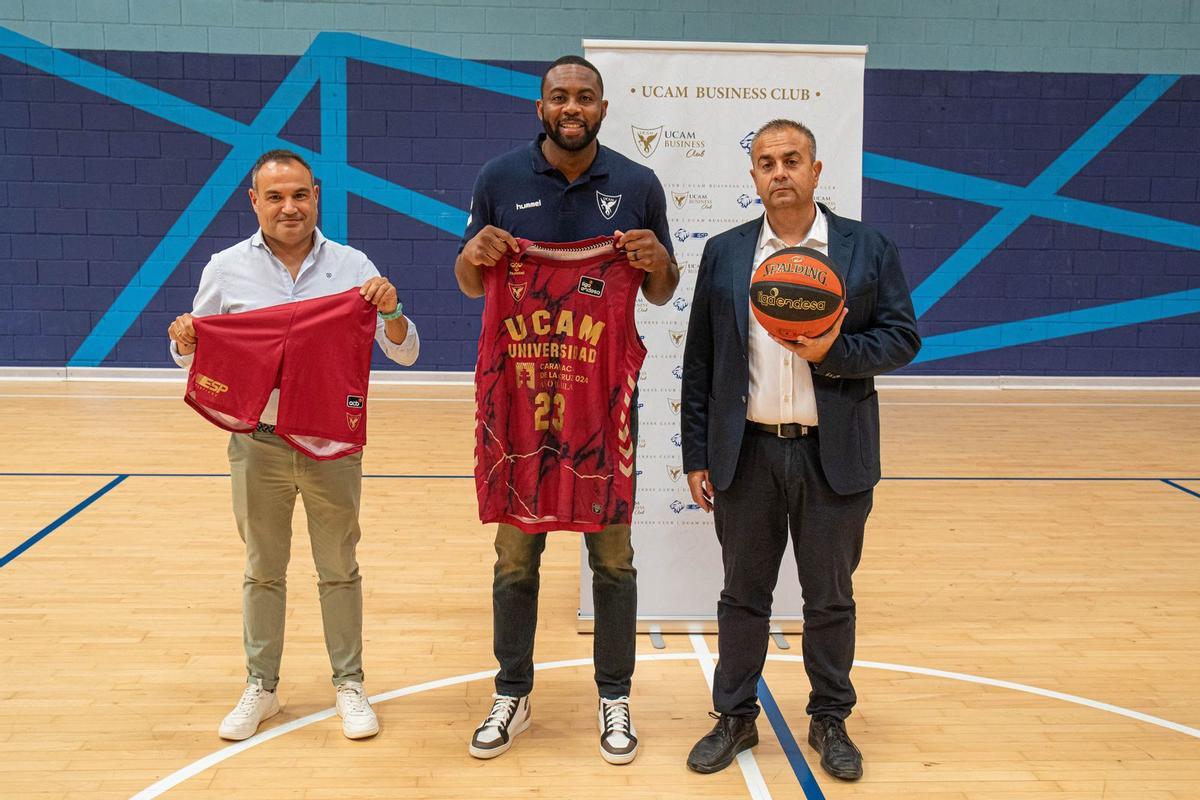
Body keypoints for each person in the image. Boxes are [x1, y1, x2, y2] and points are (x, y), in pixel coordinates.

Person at [454, 55, 679, 764]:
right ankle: (512, 691)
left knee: (613, 558)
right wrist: (476, 251)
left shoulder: (638, 186)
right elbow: (468, 282)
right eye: (559, 96)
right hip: (520, 408)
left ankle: (615, 697)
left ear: (603, 108)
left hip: (601, 408)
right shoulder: (499, 179)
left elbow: (663, 292)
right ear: (541, 106)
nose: (571, 106)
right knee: (515, 556)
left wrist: (653, 261)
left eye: (584, 96)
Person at [680, 120, 920, 780]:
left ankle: (830, 719)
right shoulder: (726, 253)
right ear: (752, 177)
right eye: (766, 162)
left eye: (792, 160)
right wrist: (696, 454)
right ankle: (734, 717)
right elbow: (700, 359)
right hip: (747, 454)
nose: (779, 171)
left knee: (830, 600)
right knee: (742, 596)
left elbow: (903, 339)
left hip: (833, 455)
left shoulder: (866, 248)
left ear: (816, 171)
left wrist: (833, 353)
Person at [167, 149, 419, 741]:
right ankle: (263, 686)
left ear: (317, 196)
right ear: (254, 201)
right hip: (258, 443)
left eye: (300, 195)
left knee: (339, 567)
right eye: (275, 196)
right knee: (263, 569)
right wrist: (182, 337)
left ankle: (349, 685)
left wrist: (393, 310)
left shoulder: (354, 265)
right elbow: (196, 348)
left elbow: (403, 351)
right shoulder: (225, 269)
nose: (289, 207)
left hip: (332, 441)